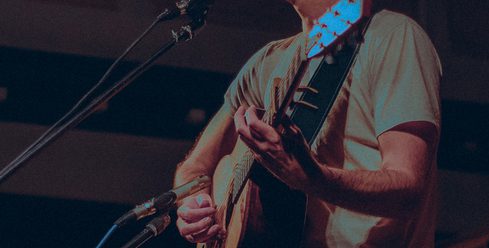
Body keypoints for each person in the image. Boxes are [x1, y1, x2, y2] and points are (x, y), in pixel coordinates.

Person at [174, 0, 442, 247]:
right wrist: (193, 205)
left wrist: (313, 178)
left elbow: (409, 192)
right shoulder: (268, 61)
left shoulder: (392, 36)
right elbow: (195, 167)